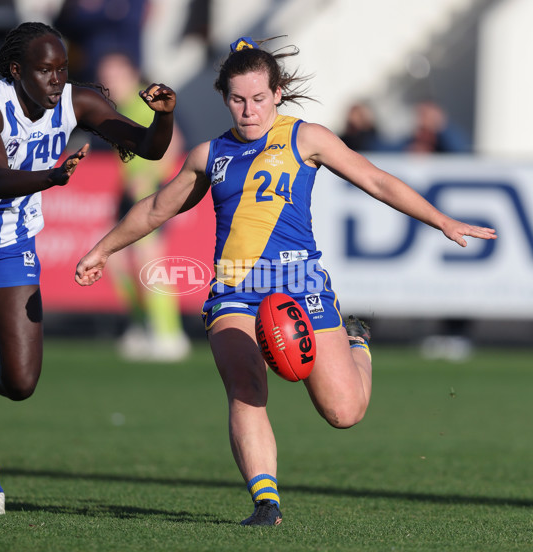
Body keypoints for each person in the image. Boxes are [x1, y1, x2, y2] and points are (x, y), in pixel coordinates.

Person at [74, 36, 496, 526]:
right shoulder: (209, 155)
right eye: (237, 99)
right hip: (234, 290)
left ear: (277, 93)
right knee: (244, 384)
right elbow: (153, 209)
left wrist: (440, 219)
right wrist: (102, 250)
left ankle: (356, 338)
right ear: (224, 97)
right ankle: (265, 504)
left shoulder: (307, 138)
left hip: (301, 287)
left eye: (258, 98)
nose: (248, 109)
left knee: (344, 413)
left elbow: (377, 180)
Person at [0, 21, 176, 515]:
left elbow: (149, 147)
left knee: (21, 382)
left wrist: (163, 118)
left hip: (10, 244)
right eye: (45, 71)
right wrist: (53, 177)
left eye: (63, 69)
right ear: (17, 71)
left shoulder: (76, 102)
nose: (57, 80)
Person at [95, 52, 190, 362]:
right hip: (129, 193)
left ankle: (169, 334)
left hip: (150, 192)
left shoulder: (144, 103)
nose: (110, 83)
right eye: (106, 77)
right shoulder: (118, 109)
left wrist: (149, 176)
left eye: (116, 76)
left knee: (151, 261)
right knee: (117, 261)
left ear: (132, 74)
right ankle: (141, 326)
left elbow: (175, 142)